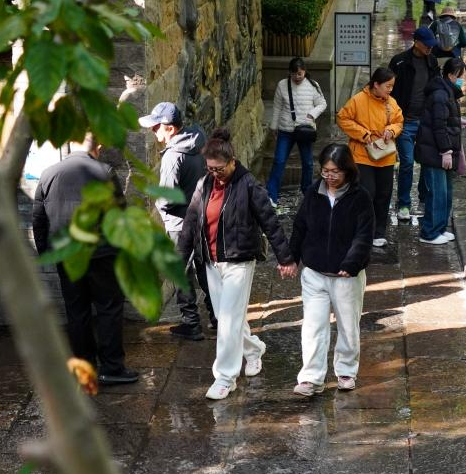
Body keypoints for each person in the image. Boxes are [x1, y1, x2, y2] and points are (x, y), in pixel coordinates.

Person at [178, 129, 297, 400]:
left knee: (228, 321)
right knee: (227, 318)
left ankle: (225, 377)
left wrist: (285, 257)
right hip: (211, 261)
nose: (215, 174)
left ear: (232, 161)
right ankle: (254, 349)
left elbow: (270, 221)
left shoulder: (249, 185)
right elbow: (190, 222)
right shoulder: (204, 184)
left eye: (219, 169)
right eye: (210, 168)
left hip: (239, 261)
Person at [32, 134, 138, 385]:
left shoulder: (48, 174)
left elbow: (39, 217)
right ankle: (111, 368)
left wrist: (45, 250)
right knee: (109, 308)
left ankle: (84, 366)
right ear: (98, 147)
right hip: (101, 253)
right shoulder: (104, 173)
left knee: (76, 311)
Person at [289, 144, 374, 396]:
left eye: (335, 171)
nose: (330, 176)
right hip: (315, 274)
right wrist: (290, 258)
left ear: (347, 170)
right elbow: (300, 227)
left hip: (346, 277)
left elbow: (364, 236)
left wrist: (351, 263)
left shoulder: (360, 198)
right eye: (326, 171)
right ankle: (310, 377)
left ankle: (346, 371)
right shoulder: (313, 193)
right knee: (313, 326)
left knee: (348, 326)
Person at [138, 101, 216, 340]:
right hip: (201, 216)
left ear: (170, 128)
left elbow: (167, 197)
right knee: (204, 268)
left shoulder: (173, 155)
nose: (154, 132)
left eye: (156, 127)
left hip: (179, 223)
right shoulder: (198, 140)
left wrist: (158, 205)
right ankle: (219, 316)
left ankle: (191, 323)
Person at [336, 68, 404, 248]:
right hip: (362, 155)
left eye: (392, 86)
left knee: (384, 194)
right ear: (376, 84)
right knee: (367, 193)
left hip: (385, 155)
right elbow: (342, 118)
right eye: (388, 86)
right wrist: (363, 134)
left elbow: (399, 122)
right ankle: (362, 230)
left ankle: (378, 232)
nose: (390, 89)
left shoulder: (391, 102)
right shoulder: (358, 100)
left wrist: (391, 131)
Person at [389, 27, 441, 221]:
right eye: (427, 44)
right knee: (407, 162)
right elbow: (389, 90)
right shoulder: (399, 61)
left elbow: (437, 88)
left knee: (427, 161)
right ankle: (404, 203)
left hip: (425, 121)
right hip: (404, 122)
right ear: (416, 43)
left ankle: (424, 198)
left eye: (431, 45)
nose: (430, 48)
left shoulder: (432, 61)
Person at [416, 58, 465, 245]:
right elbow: (438, 126)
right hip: (435, 152)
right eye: (460, 76)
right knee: (437, 193)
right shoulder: (440, 94)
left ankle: (440, 228)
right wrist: (445, 151)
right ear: (451, 75)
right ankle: (429, 232)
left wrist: (458, 122)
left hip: (442, 150)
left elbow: (445, 119)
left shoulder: (447, 92)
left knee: (446, 193)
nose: (461, 80)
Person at [266, 57, 327, 207]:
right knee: (279, 161)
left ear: (304, 71)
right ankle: (271, 195)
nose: (297, 77)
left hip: (305, 130)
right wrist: (274, 127)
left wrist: (312, 114)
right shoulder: (282, 85)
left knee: (308, 163)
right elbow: (277, 107)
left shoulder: (313, 85)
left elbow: (322, 103)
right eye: (294, 74)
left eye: (300, 73)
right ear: (290, 73)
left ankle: (307, 191)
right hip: (286, 130)